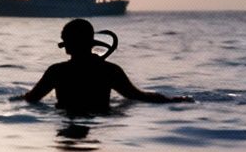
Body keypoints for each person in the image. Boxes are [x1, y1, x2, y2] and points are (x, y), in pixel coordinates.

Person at [21, 18, 190, 114]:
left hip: (65, 116)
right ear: (91, 43)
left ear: (67, 44)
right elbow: (138, 96)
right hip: (101, 118)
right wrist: (173, 100)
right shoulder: (110, 70)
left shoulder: (57, 71)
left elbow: (31, 99)